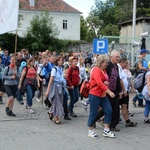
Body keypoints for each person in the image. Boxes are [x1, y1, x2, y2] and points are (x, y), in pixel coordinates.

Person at [87, 55, 116, 138]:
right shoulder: (96, 70)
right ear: (101, 62)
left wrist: (106, 82)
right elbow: (99, 83)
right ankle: (90, 130)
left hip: (102, 95)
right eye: (105, 63)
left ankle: (106, 131)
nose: (107, 65)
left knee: (108, 110)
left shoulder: (103, 70)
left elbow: (103, 81)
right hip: (94, 94)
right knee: (93, 113)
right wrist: (109, 92)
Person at [118, 58, 137, 127]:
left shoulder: (122, 69)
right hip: (121, 91)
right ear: (122, 63)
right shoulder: (118, 68)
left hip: (125, 91)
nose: (127, 65)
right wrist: (122, 90)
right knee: (116, 106)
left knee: (124, 106)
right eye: (126, 63)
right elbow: (119, 80)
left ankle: (127, 121)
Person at [45, 56, 64, 125]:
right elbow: (51, 80)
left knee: (60, 101)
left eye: (62, 60)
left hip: (60, 86)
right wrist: (48, 90)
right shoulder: (54, 69)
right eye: (59, 60)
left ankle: (51, 112)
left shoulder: (61, 68)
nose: (61, 61)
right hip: (55, 87)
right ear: (57, 62)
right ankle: (56, 118)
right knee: (56, 102)